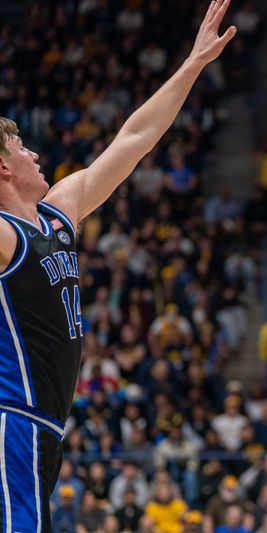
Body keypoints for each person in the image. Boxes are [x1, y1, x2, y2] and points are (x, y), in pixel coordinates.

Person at [0, 2, 236, 531]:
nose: (35, 154)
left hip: (43, 424)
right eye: (21, 148)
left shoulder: (59, 213)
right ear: (3, 168)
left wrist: (193, 64)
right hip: (13, 417)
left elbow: (134, 138)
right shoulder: (4, 233)